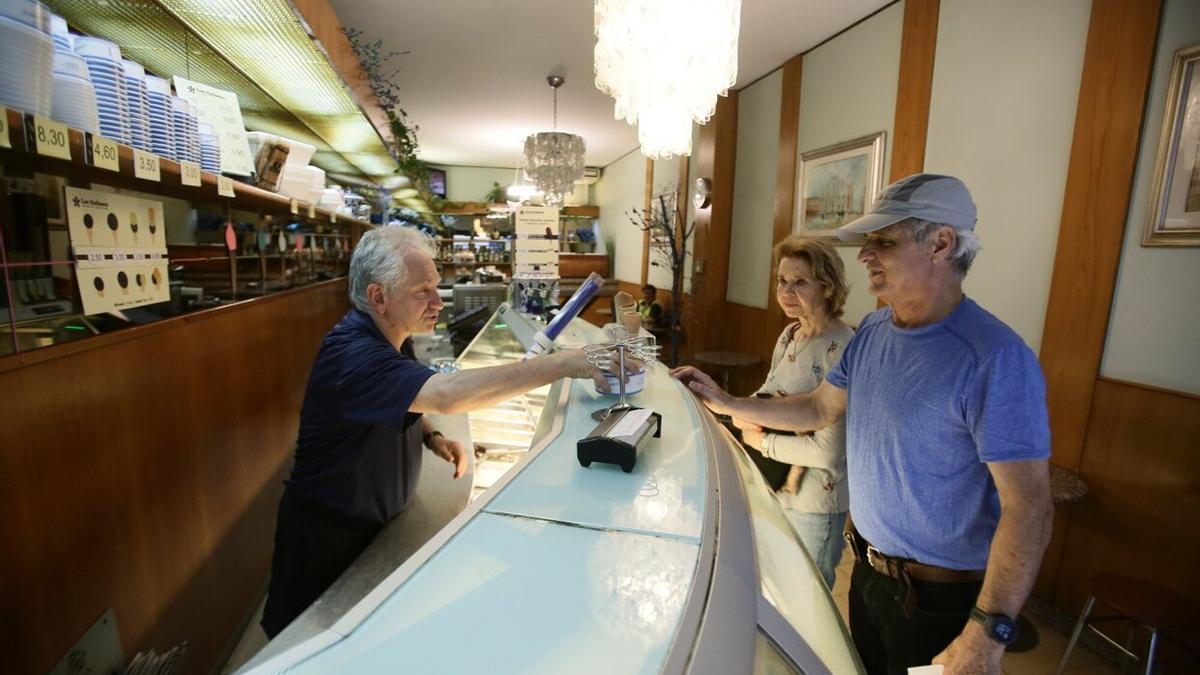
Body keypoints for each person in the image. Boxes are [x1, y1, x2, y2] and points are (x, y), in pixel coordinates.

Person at [673, 174, 1053, 675]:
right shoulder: (874, 329)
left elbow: (1029, 507)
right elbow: (817, 408)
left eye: (885, 242)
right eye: (868, 243)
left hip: (939, 598)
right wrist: (726, 403)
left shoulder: (995, 358)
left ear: (941, 243)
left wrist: (987, 632)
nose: (866, 255)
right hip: (870, 574)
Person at [261, 225, 616, 639]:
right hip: (329, 541)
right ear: (379, 297)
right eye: (422, 291)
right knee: (303, 649)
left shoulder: (391, 334)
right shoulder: (353, 355)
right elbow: (445, 396)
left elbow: (403, 398)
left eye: (436, 287)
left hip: (378, 525)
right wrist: (565, 363)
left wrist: (431, 437)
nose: (437, 303)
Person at [684, 236, 852, 589]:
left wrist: (759, 439)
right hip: (775, 487)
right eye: (782, 281)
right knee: (776, 589)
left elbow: (829, 452)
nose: (787, 291)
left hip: (814, 502)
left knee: (807, 599)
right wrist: (725, 403)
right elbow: (766, 400)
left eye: (800, 282)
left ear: (828, 286)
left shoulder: (843, 347)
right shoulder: (790, 335)